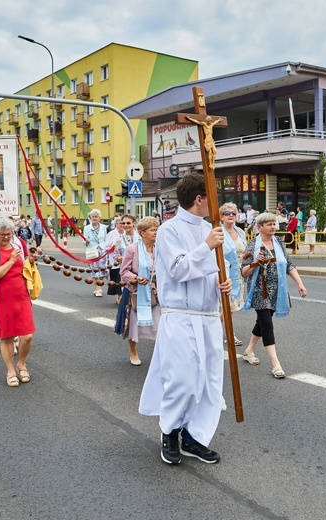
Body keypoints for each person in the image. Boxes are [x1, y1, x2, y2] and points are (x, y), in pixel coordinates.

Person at [139, 173, 232, 466]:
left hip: (207, 317)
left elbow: (220, 268)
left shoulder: (210, 229)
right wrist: (206, 246)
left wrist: (224, 283)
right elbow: (178, 269)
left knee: (208, 382)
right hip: (180, 316)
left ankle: (195, 437)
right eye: (212, 197)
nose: (216, 203)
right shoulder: (170, 230)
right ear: (199, 199)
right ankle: (170, 431)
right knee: (183, 379)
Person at [241, 212, 307, 378]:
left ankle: (249, 350)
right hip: (259, 291)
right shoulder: (251, 245)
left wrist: (300, 283)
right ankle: (276, 364)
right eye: (269, 224)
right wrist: (256, 261)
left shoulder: (278, 242)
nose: (273, 227)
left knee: (262, 322)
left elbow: (288, 265)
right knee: (267, 324)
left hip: (277, 290)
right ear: (260, 227)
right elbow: (244, 271)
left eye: (274, 224)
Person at [0, 216, 35, 388]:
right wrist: (11, 261)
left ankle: (22, 364)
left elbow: (25, 263)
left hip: (21, 295)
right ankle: (11, 370)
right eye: (2, 234)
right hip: (2, 297)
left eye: (9, 234)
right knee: (7, 337)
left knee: (27, 336)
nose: (6, 238)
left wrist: (31, 260)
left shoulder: (18, 244)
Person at [114, 217, 160, 366]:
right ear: (143, 233)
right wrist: (137, 278)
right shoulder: (132, 249)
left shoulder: (160, 248)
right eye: (153, 230)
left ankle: (160, 354)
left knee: (160, 325)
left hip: (155, 292)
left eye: (156, 229)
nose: (156, 232)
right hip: (135, 292)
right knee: (133, 325)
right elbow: (124, 271)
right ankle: (133, 352)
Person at [220, 202, 247, 346]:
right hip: (224, 274)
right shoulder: (218, 231)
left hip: (239, 274)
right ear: (221, 216)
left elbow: (245, 250)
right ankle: (229, 334)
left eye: (233, 213)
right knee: (227, 306)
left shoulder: (240, 232)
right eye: (227, 213)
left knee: (232, 307)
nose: (230, 216)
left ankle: (217, 330)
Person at [83, 209, 109, 297]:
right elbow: (84, 241)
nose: (94, 218)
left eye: (96, 216)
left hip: (102, 250)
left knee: (104, 270)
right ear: (90, 218)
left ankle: (99, 283)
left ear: (99, 218)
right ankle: (97, 289)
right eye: (92, 217)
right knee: (94, 270)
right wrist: (86, 241)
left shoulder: (103, 227)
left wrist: (107, 248)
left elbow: (105, 239)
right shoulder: (87, 228)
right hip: (92, 251)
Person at [104, 216, 125, 305]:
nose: (122, 225)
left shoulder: (128, 233)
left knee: (124, 278)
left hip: (126, 260)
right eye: (121, 223)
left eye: (124, 223)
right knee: (117, 278)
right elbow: (105, 247)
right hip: (115, 260)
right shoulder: (111, 234)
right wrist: (112, 248)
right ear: (116, 224)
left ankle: (123, 297)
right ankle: (118, 297)